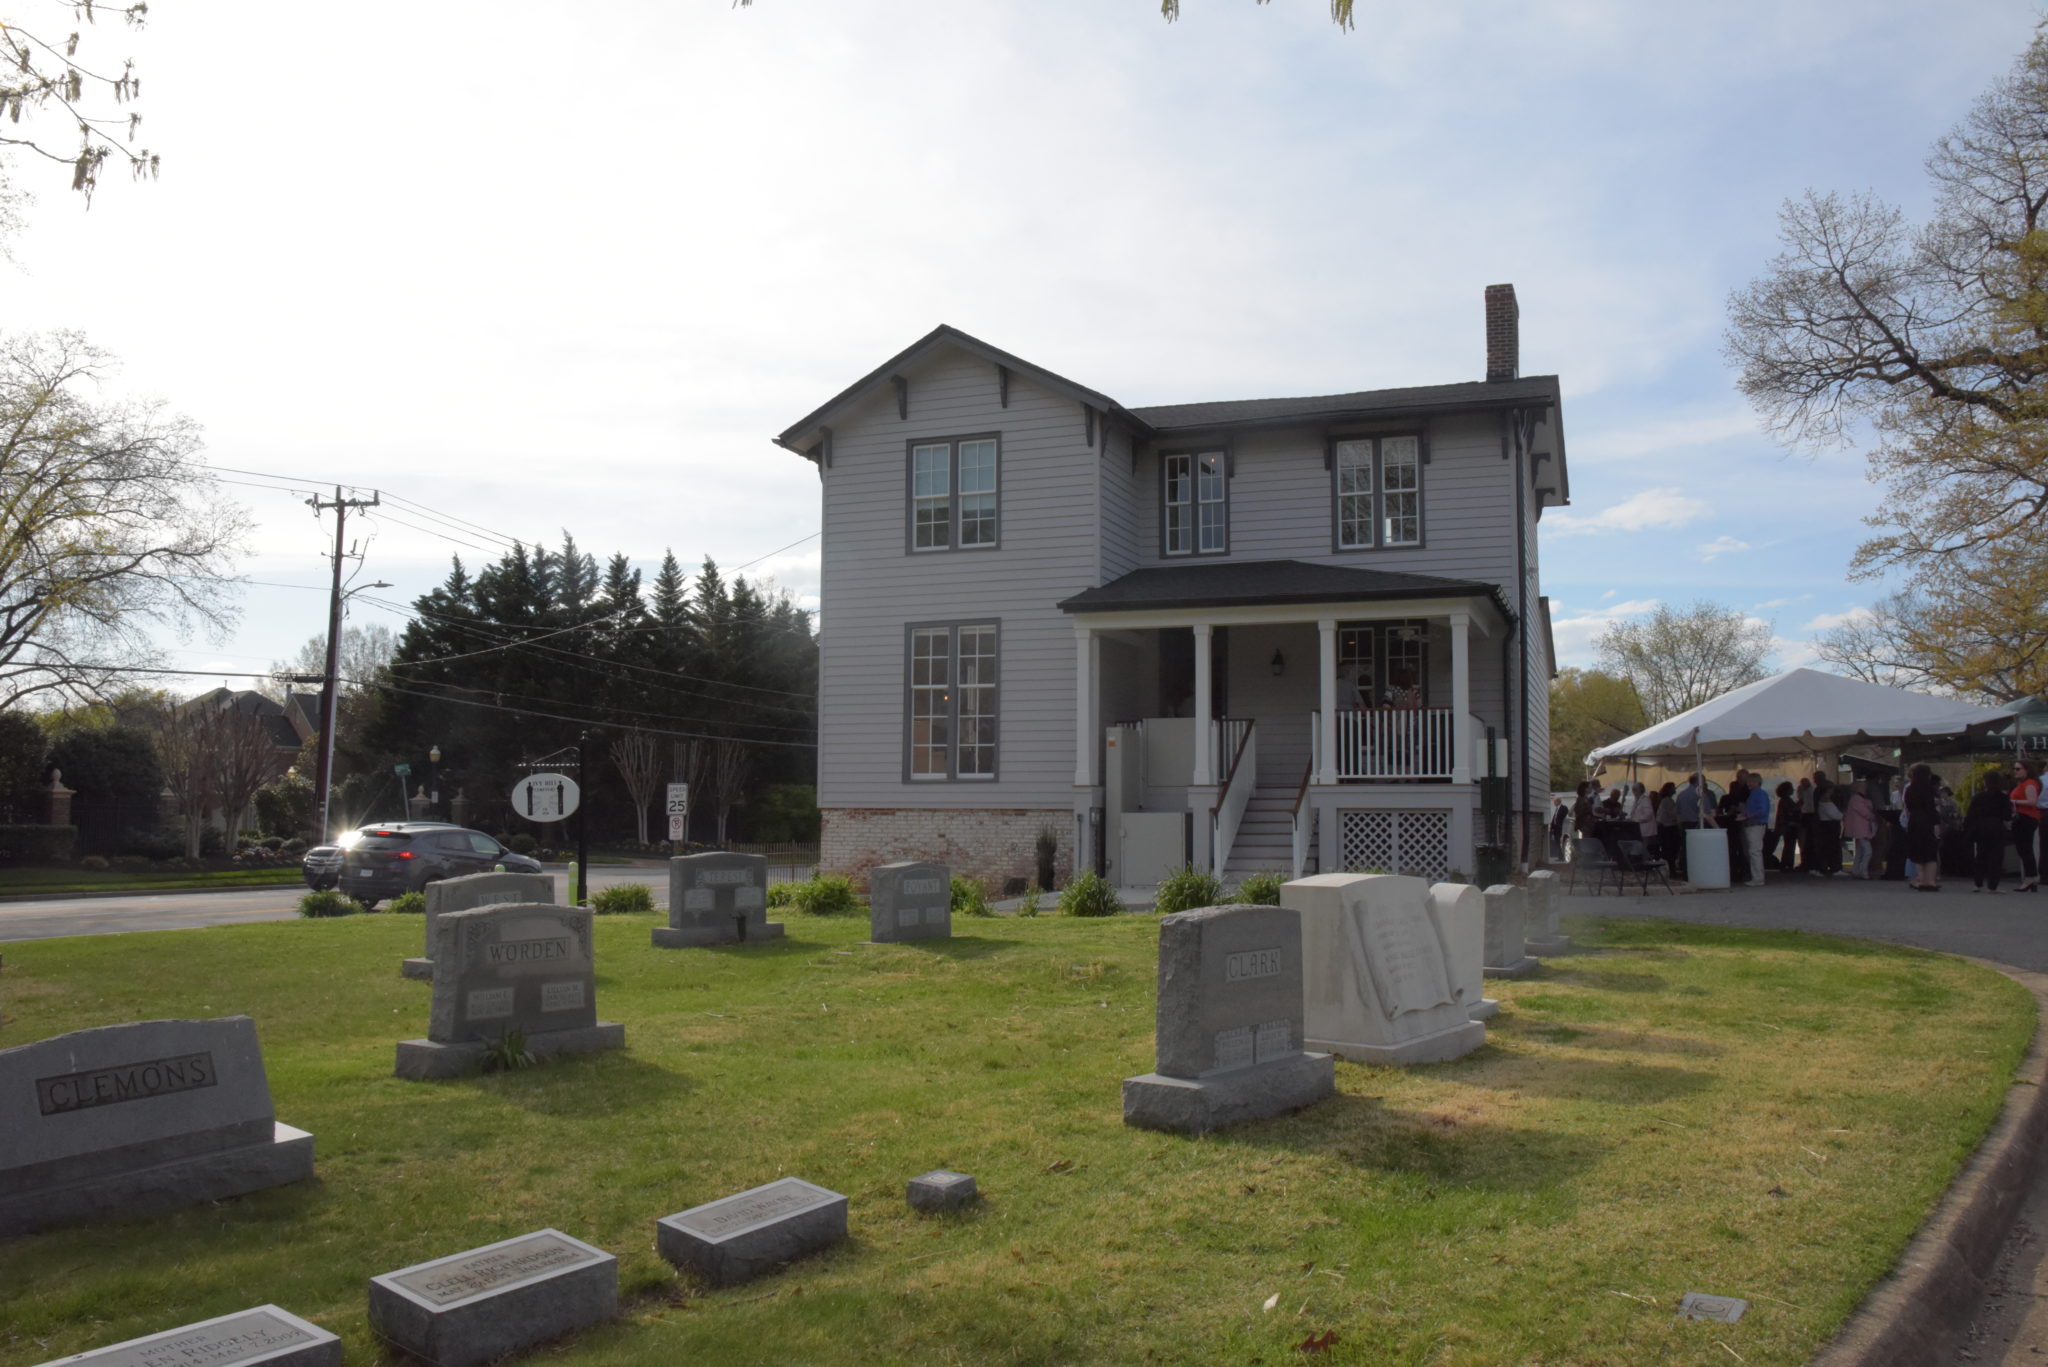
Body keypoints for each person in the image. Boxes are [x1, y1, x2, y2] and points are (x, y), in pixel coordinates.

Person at [1967, 773, 2014, 894]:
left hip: (1981, 827)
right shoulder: (2003, 797)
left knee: (1981, 855)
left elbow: (1970, 814)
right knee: (1996, 857)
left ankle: (1978, 883)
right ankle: (1992, 886)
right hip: (1996, 827)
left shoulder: (1978, 797)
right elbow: (2007, 815)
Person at [1904, 764, 1942, 891]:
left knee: (1918, 851)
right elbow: (1931, 808)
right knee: (1930, 852)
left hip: (1914, 821)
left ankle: (1921, 879)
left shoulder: (1909, 789)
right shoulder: (1929, 789)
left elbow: (1908, 807)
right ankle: (1930, 881)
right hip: (1927, 821)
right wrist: (1936, 824)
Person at [2012, 758, 2041, 894]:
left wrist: (2014, 801)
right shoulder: (2023, 784)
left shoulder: (2030, 783)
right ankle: (2031, 877)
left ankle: (2031, 877)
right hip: (2022, 817)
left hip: (2026, 817)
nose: (2015, 771)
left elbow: (2032, 801)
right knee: (2023, 848)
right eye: (2015, 769)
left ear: (2026, 770)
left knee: (2025, 848)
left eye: (2018, 769)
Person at [1741, 769, 1771, 886]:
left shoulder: (1759, 793)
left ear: (1756, 782)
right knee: (1754, 851)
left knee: (1754, 851)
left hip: (1755, 825)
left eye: (1750, 781)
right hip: (1754, 824)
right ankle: (1757, 877)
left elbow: (1762, 810)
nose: (1748, 784)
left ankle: (1758, 878)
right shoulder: (1755, 794)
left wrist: (1747, 815)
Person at [1843, 780, 1878, 879]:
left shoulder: (1858, 799)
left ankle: (1856, 870)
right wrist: (1873, 816)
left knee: (1860, 850)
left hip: (1861, 828)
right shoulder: (1856, 799)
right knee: (1868, 850)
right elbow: (1864, 812)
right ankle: (1863, 871)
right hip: (1861, 828)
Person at [1812, 776, 1844, 878]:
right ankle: (1835, 867)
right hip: (1830, 825)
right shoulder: (1827, 803)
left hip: (1824, 825)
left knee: (1825, 847)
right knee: (1833, 846)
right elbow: (1837, 815)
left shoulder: (1821, 802)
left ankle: (1824, 866)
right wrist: (1843, 813)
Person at [1657, 781, 1683, 877]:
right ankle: (1671, 870)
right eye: (1673, 787)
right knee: (1670, 850)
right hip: (1669, 828)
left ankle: (1671, 870)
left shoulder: (1667, 800)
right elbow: (1671, 815)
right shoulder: (1667, 801)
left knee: (1670, 850)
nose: (1675, 789)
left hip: (1667, 827)